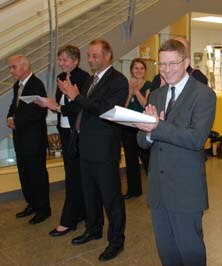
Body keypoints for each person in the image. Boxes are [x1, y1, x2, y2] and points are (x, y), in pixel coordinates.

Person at [134, 39, 216, 266]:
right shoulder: (157, 95)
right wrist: (149, 132)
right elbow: (142, 139)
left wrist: (157, 127)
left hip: (185, 190)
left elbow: (196, 139)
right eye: (162, 65)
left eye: (173, 64)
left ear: (186, 62)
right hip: (158, 190)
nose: (167, 70)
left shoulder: (203, 95)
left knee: (190, 251)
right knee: (167, 252)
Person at [58, 39, 128, 261]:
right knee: (89, 194)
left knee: (111, 198)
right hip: (85, 146)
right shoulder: (90, 80)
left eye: (95, 55)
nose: (90, 60)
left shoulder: (118, 81)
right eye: (89, 55)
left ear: (108, 55)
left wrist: (75, 96)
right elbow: (81, 109)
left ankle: (116, 241)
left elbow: (103, 110)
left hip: (104, 149)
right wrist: (70, 100)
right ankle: (93, 228)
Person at [35, 45, 89, 236]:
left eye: (65, 60)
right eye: (60, 59)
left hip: (78, 133)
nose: (61, 63)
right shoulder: (60, 77)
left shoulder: (84, 78)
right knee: (74, 175)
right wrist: (51, 104)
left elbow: (79, 108)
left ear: (75, 61)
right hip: (65, 132)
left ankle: (68, 220)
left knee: (74, 178)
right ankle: (82, 213)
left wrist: (56, 106)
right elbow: (63, 105)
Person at [6, 55, 50, 224]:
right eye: (10, 67)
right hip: (20, 138)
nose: (11, 71)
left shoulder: (36, 85)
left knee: (37, 173)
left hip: (33, 139)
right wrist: (10, 116)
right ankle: (31, 203)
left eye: (13, 67)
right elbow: (14, 105)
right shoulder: (17, 84)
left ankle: (43, 209)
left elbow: (38, 113)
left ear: (24, 67)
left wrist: (16, 121)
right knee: (24, 172)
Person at [121, 58, 151, 199]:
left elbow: (146, 105)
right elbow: (124, 106)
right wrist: (129, 92)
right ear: (131, 70)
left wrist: (136, 91)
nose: (138, 71)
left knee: (147, 160)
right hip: (128, 127)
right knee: (130, 160)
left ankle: (155, 189)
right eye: (136, 68)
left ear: (145, 71)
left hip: (143, 127)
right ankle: (134, 190)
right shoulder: (125, 84)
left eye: (141, 68)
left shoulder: (149, 85)